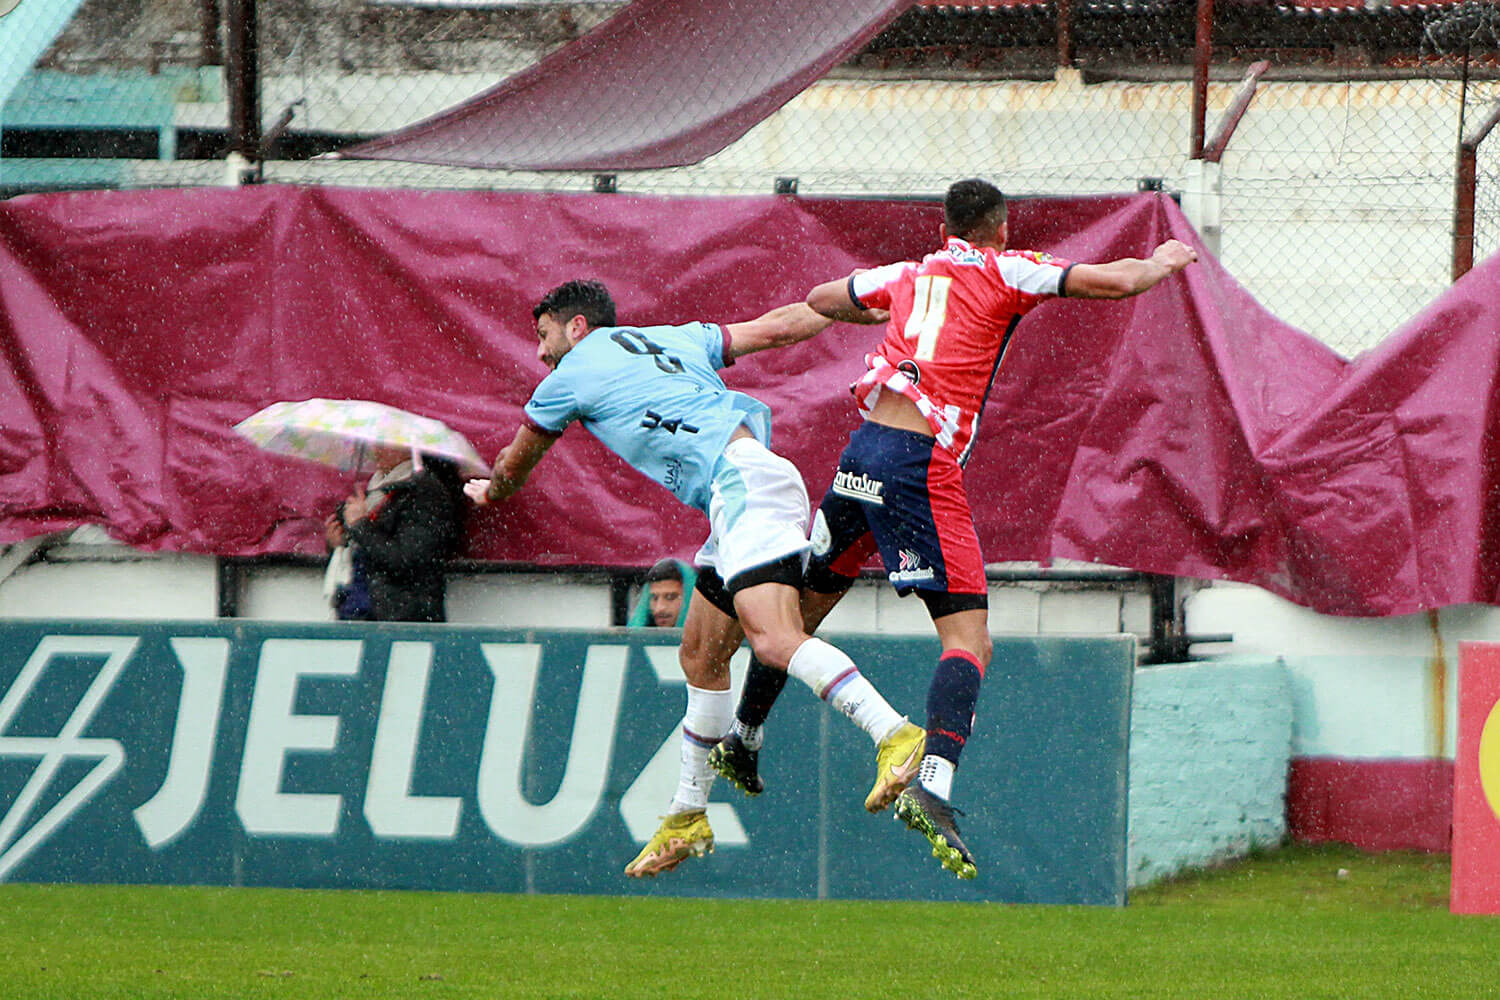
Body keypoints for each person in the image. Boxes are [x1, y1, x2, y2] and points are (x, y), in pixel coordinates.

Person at [709, 178, 1199, 879]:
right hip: (918, 466)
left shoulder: (908, 275)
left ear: (948, 228)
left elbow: (822, 299)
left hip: (862, 454)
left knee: (797, 622)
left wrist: (874, 315)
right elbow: (1109, 283)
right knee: (969, 639)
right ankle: (934, 784)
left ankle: (744, 737)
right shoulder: (1008, 268)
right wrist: (1159, 263)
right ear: (999, 227)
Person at [464, 279, 925, 878]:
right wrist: (851, 306)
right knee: (701, 655)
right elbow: (779, 325)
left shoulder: (568, 377)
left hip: (743, 489)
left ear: (577, 327)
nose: (541, 353)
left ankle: (894, 733)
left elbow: (514, 464)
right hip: (742, 487)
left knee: (774, 640)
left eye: (545, 335)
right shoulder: (670, 339)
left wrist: (491, 490)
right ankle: (687, 813)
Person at [323, 446, 468, 623]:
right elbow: (362, 553)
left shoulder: (424, 493)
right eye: (376, 443)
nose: (376, 450)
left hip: (401, 616)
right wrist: (338, 543)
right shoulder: (373, 491)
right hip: (358, 610)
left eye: (386, 445)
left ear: (409, 449)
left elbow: (406, 559)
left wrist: (360, 525)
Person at [628, 558, 696, 628]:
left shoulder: (705, 637)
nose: (659, 608)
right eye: (654, 598)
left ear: (690, 597)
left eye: (670, 598)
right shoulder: (637, 637)